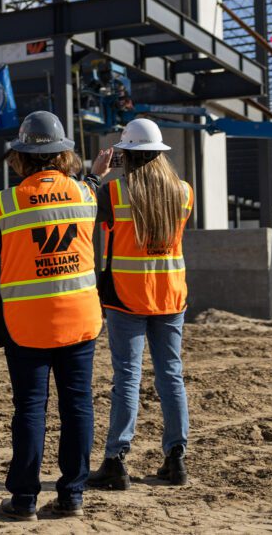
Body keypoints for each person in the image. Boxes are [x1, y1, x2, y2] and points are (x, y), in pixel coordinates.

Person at [0, 110, 102, 521]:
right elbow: (90, 197)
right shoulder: (86, 195)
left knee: (30, 409)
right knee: (78, 406)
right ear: (62, 153)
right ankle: (72, 495)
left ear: (21, 156)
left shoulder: (6, 201)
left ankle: (24, 501)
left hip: (27, 324)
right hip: (80, 319)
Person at [86, 118, 194, 490]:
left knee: (127, 379)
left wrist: (95, 174)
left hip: (126, 298)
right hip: (170, 296)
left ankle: (116, 461)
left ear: (125, 155)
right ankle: (176, 459)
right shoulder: (183, 192)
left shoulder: (114, 193)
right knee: (171, 377)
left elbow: (80, 215)